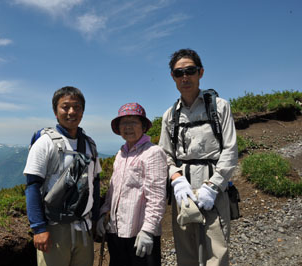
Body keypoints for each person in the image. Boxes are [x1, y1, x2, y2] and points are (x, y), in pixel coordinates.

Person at [158, 48, 238, 266]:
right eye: (178, 73)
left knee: (216, 251)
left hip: (214, 188)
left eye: (190, 70)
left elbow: (230, 151)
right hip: (182, 190)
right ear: (173, 77)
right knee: (186, 251)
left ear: (200, 72)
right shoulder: (170, 115)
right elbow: (164, 154)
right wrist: (176, 179)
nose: (184, 77)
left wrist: (213, 187)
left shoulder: (219, 107)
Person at [23, 86, 102, 266]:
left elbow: (94, 184)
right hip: (54, 228)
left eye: (77, 107)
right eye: (65, 107)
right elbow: (32, 186)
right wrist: (38, 228)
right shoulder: (45, 143)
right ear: (55, 111)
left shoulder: (90, 144)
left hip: (84, 226)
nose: (71, 112)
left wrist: (95, 219)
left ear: (82, 111)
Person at [97, 103, 167, 266]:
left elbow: (156, 197)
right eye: (123, 123)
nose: (128, 127)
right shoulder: (120, 155)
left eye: (133, 122)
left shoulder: (153, 153)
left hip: (140, 232)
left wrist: (148, 230)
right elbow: (113, 191)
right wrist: (103, 213)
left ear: (143, 126)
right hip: (116, 231)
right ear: (118, 127)